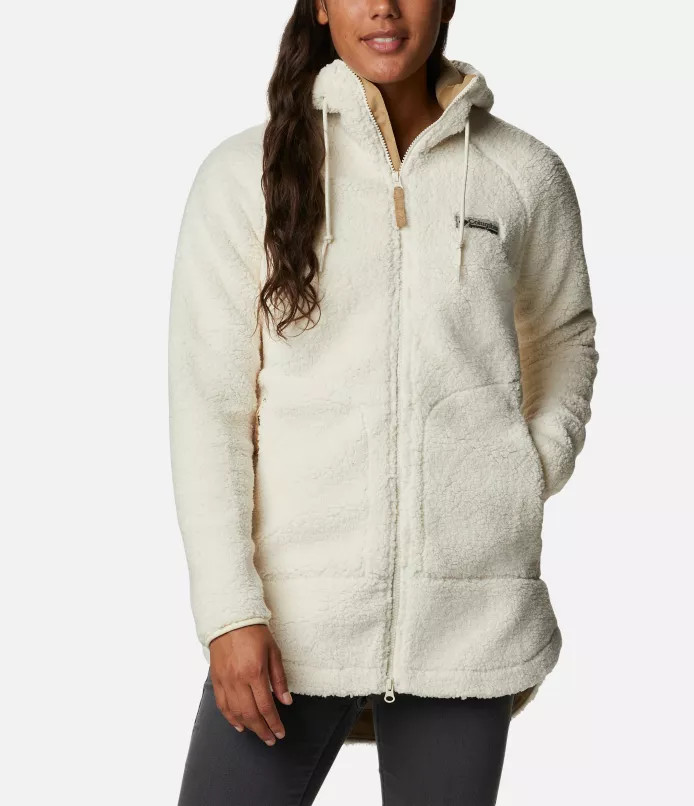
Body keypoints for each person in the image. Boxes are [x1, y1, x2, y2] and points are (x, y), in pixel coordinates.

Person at [168, 1, 599, 803]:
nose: (384, 8)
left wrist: (522, 470)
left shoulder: (522, 172)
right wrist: (229, 613)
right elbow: (209, 409)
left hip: (468, 618)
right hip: (291, 620)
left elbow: (564, 334)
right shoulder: (242, 176)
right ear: (321, 6)